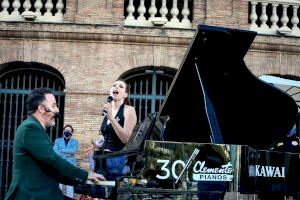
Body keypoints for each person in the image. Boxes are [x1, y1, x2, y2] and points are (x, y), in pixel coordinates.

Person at [5, 87, 105, 200]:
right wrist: (85, 175)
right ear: (42, 108)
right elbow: (52, 159)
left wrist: (85, 181)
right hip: (33, 196)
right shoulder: (30, 128)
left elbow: (52, 170)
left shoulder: (35, 128)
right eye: (53, 106)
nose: (57, 110)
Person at [85, 79, 137, 198]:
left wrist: (112, 118)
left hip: (118, 163)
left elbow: (126, 138)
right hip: (101, 160)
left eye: (120, 86)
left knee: (112, 195)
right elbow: (108, 136)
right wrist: (97, 146)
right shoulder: (107, 111)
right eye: (114, 85)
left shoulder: (129, 110)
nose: (116, 87)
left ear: (125, 94)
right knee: (99, 195)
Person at [53, 124, 78, 199]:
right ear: (64, 131)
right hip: (60, 165)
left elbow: (73, 151)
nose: (68, 131)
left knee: (69, 186)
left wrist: (61, 150)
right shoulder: (57, 140)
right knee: (59, 185)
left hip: (71, 166)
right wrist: (67, 154)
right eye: (66, 130)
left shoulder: (75, 141)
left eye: (69, 131)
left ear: (72, 132)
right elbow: (55, 151)